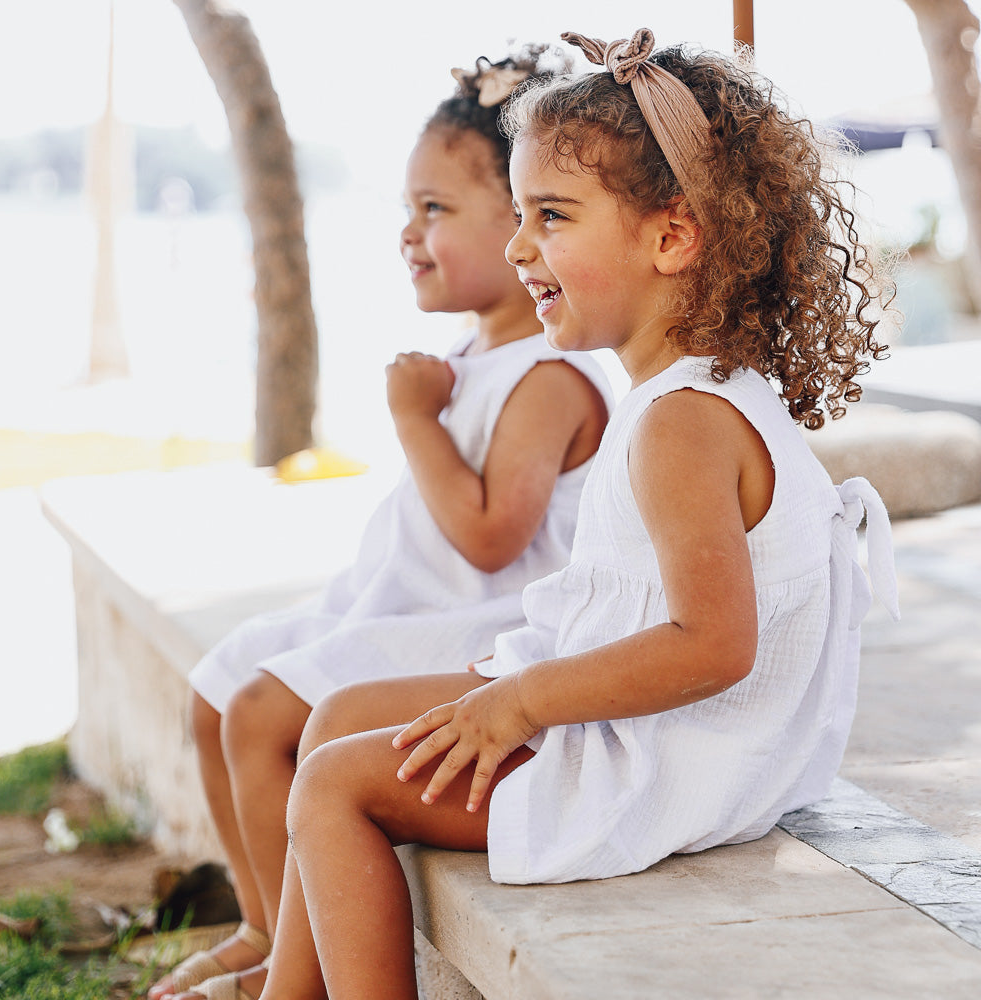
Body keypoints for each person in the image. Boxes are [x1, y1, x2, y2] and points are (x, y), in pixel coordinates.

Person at [256, 28, 901, 1000]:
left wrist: (516, 702)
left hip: (672, 761)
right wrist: (507, 678)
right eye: (517, 214)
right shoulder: (688, 391)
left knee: (339, 780)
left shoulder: (684, 422)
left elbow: (712, 644)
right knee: (342, 712)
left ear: (671, 235)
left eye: (550, 215)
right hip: (673, 734)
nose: (519, 247)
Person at [150, 46, 612, 1000]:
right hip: (401, 604)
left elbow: (491, 536)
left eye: (435, 210)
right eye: (408, 208)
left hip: (487, 626)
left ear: (523, 223)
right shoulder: (473, 349)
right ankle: (262, 924)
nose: (409, 233)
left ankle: (294, 965)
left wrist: (412, 421)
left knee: (266, 713)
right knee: (216, 697)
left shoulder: (550, 378)